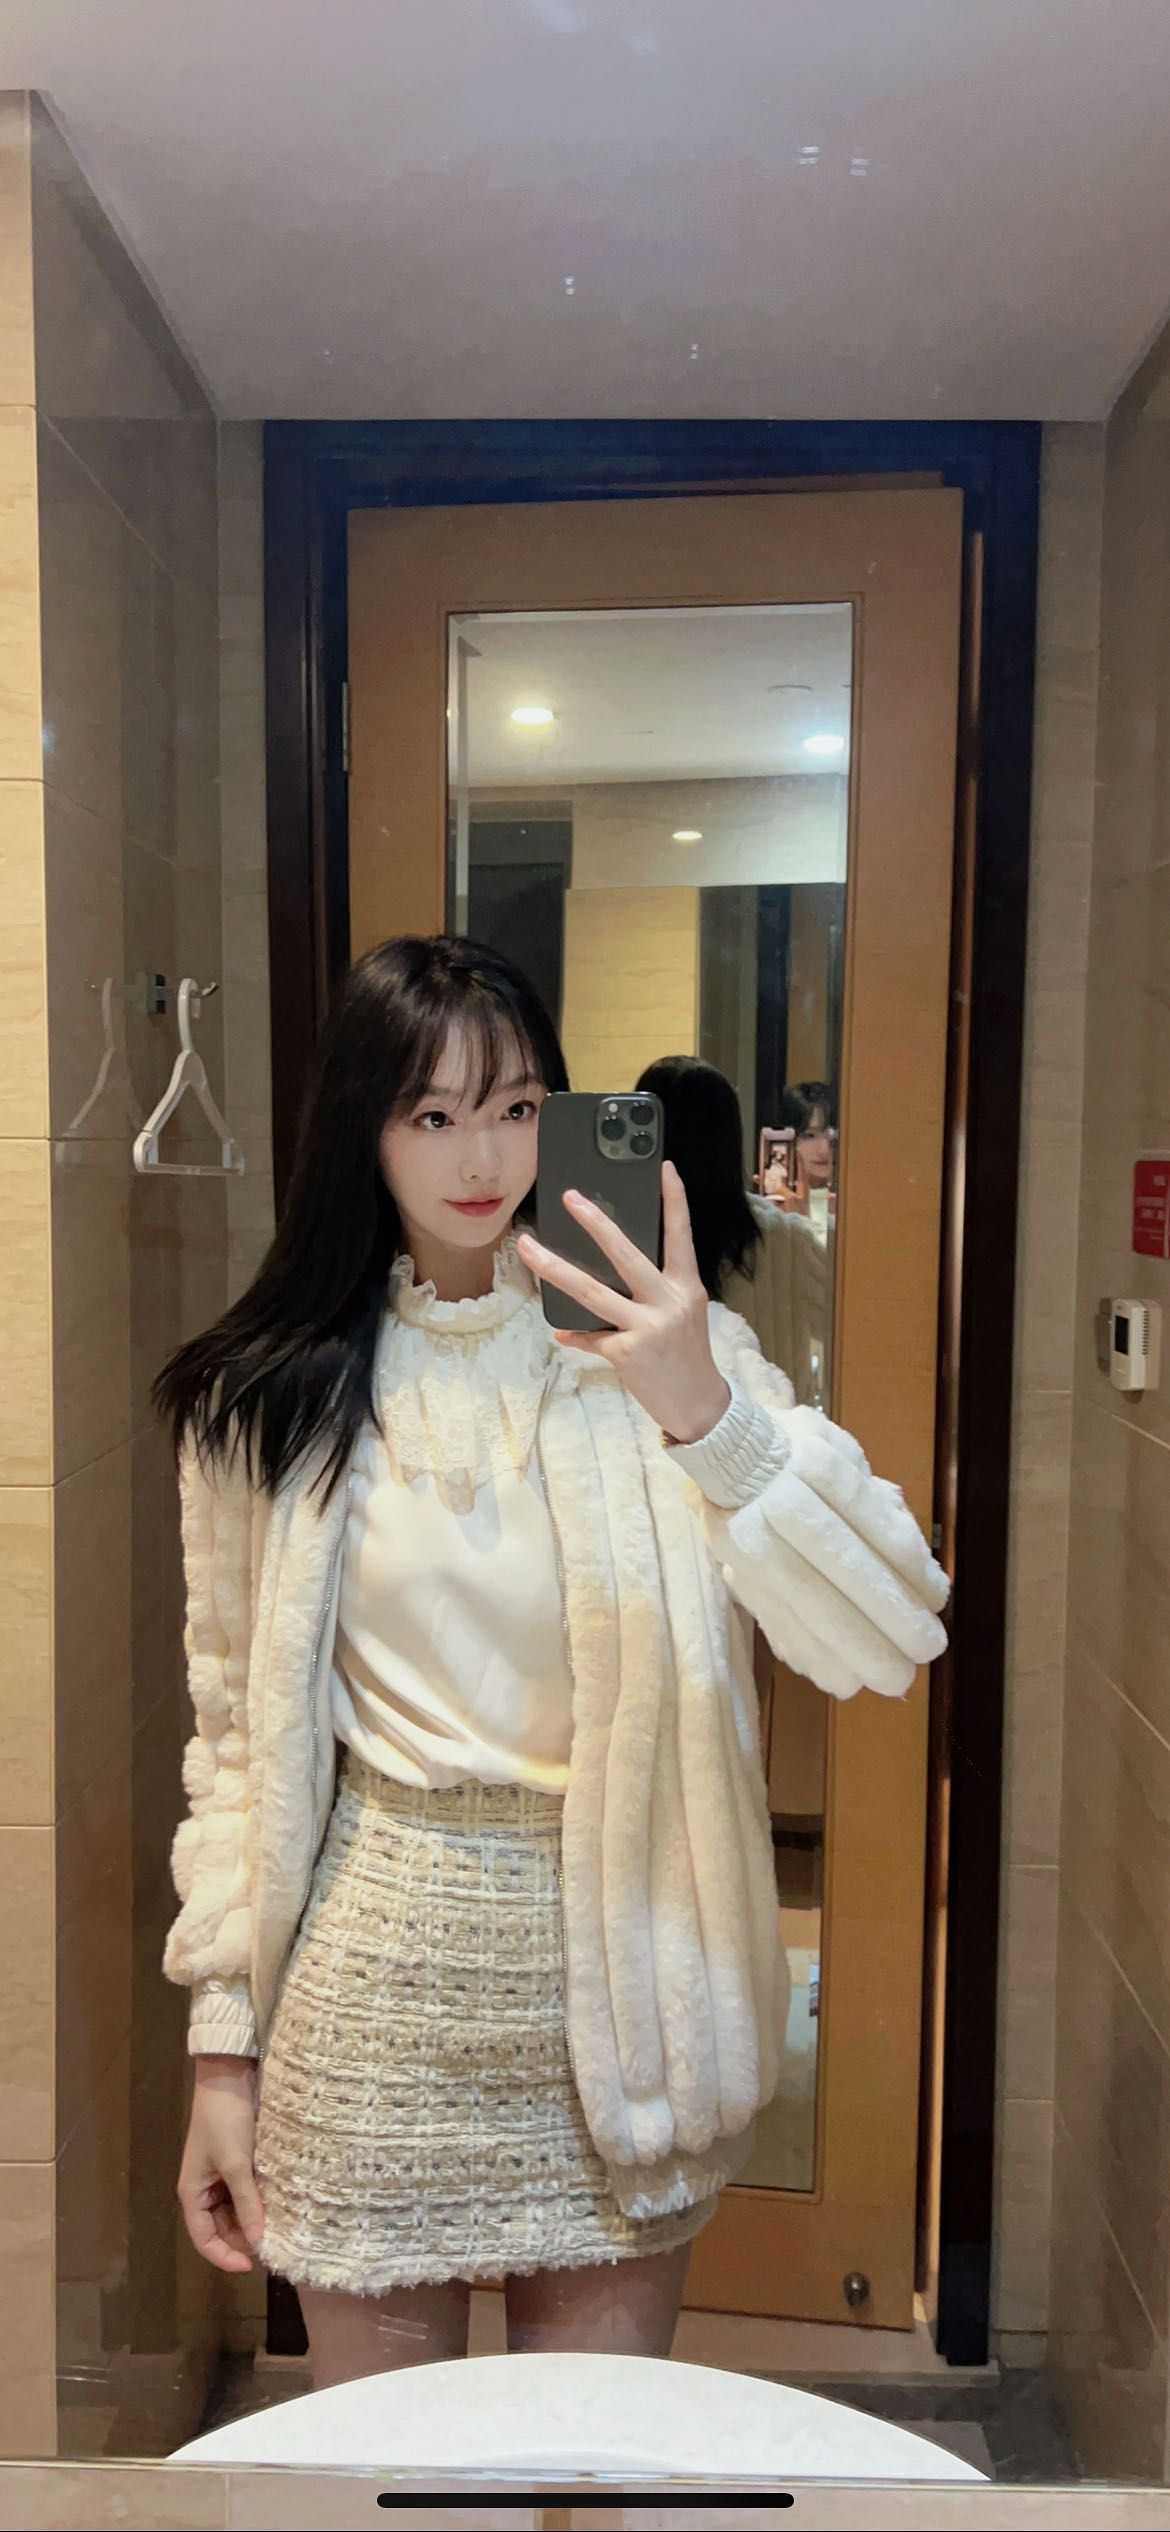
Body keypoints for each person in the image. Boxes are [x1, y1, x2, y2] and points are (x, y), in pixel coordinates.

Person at [159, 936, 947, 2387]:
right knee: (381, 2477)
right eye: (432, 1113)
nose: (482, 1158)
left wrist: (705, 1411)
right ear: (362, 1129)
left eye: (517, 1108)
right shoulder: (262, 1400)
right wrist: (223, 2049)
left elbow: (890, 1631)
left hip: (622, 1988)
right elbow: (235, 1746)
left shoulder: (659, 1357)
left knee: (591, 2467)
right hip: (372, 1981)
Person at [637, 1055, 833, 1408]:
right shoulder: (785, 1240)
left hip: (657, 1431)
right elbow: (846, 1323)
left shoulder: (622, 1242)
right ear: (731, 1138)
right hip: (773, 1433)